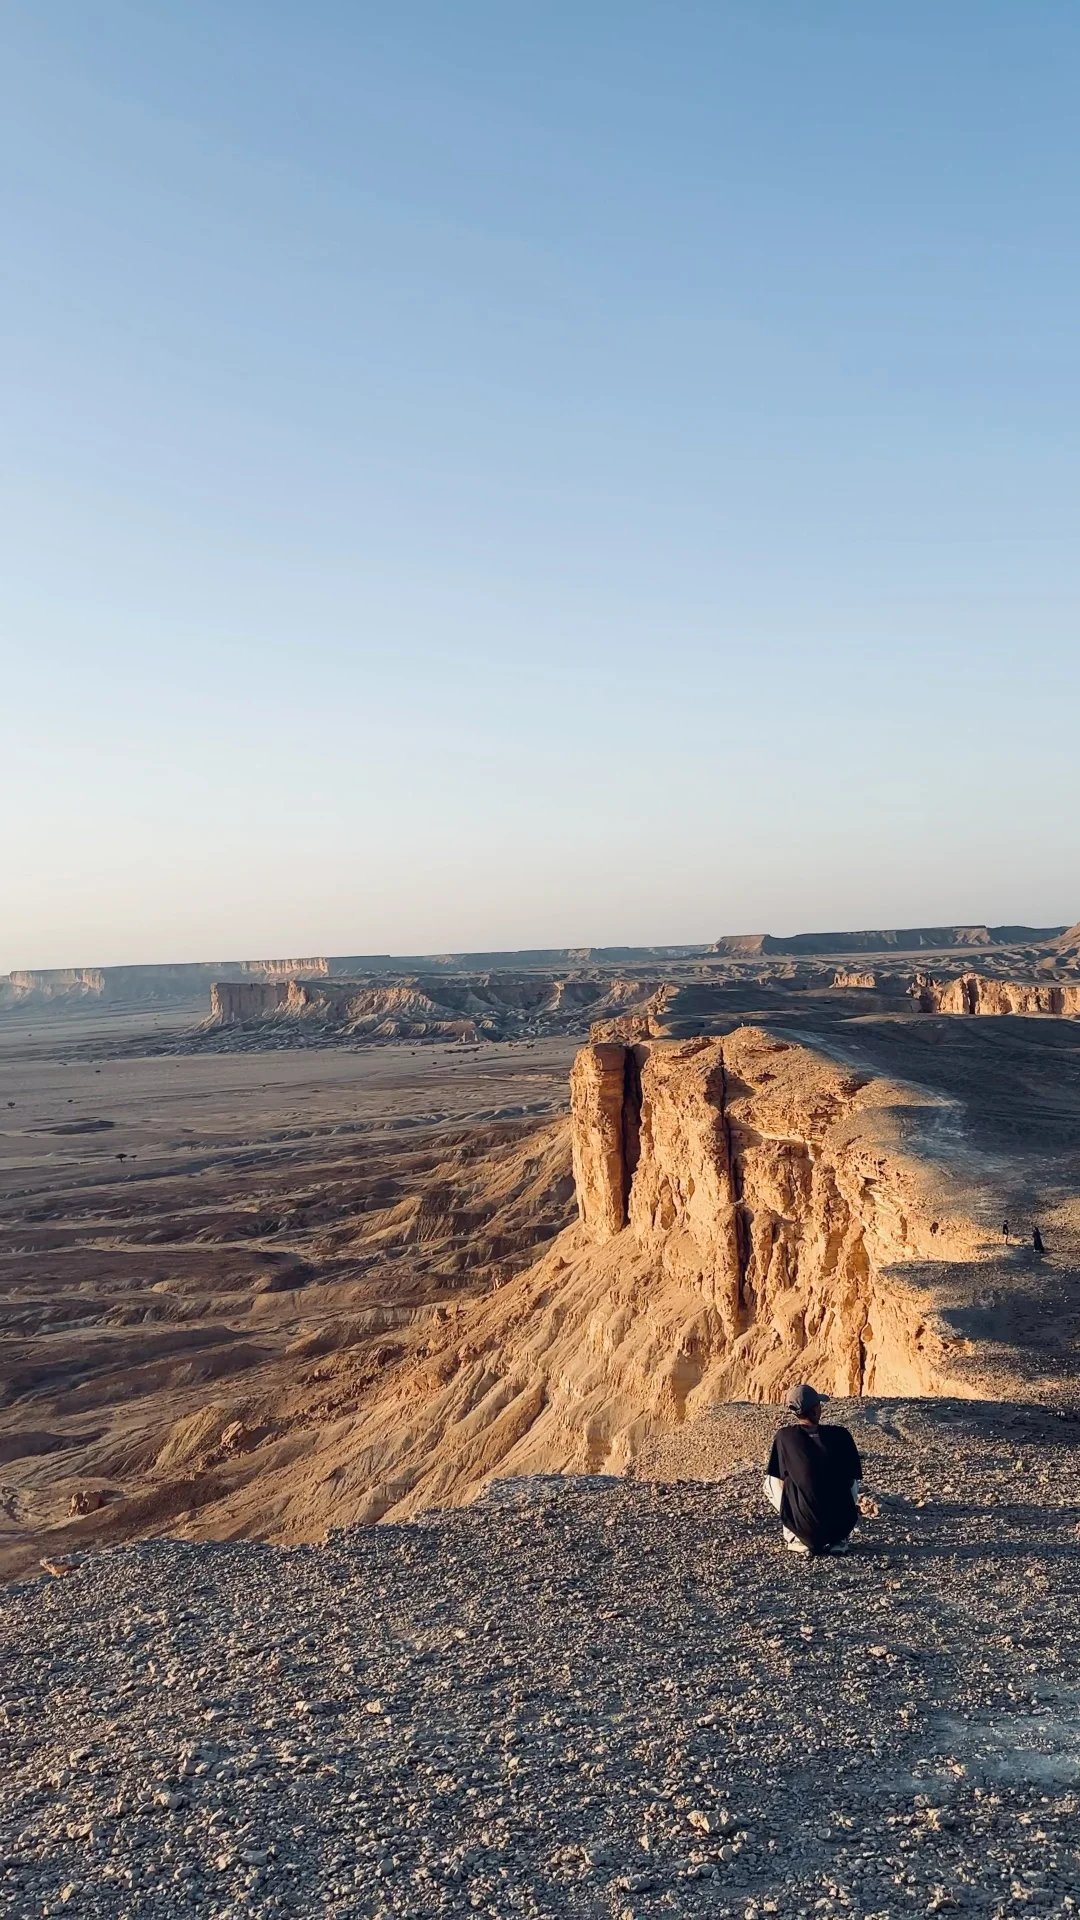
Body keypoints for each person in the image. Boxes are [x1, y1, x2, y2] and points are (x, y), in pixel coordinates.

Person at [764, 1384, 863, 1556]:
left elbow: (780, 1478)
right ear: (816, 1409)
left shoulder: (784, 1436)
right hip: (839, 1527)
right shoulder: (841, 1435)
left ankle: (796, 1536)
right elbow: (851, 1479)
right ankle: (840, 1539)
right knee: (851, 1479)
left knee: (771, 1481)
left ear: (794, 1412)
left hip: (805, 1529)